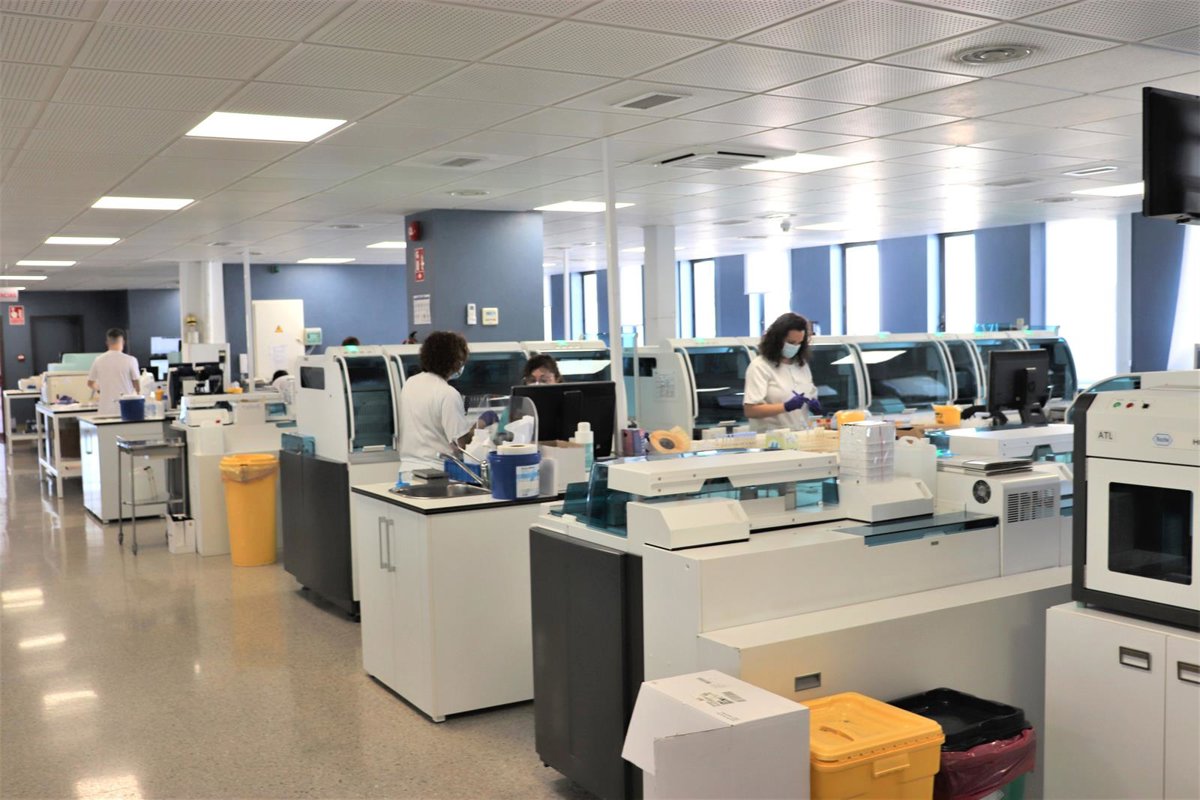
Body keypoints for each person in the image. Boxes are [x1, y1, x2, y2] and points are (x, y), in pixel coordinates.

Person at [399, 331, 497, 466]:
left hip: (408, 467)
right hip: (436, 470)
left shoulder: (410, 383)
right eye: (461, 361)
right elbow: (462, 444)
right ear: (455, 363)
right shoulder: (448, 393)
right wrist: (480, 424)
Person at [743, 312, 821, 431]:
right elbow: (750, 410)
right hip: (771, 437)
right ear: (777, 339)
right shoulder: (760, 366)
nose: (795, 347)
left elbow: (810, 393)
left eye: (799, 343)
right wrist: (785, 406)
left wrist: (814, 404)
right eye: (791, 342)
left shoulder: (801, 365)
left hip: (800, 434)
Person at [87, 327, 140, 416]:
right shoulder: (131, 360)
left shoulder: (98, 360)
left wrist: (100, 389)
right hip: (125, 408)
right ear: (123, 342)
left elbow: (90, 383)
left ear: (107, 343)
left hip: (105, 409)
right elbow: (137, 385)